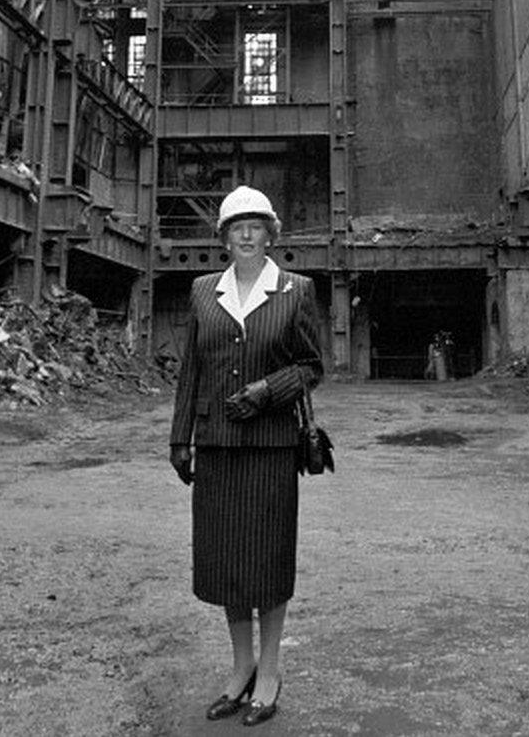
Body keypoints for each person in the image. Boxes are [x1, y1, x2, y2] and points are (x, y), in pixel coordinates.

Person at [169, 185, 323, 724]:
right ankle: (241, 669)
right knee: (227, 563)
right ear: (224, 238)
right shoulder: (202, 291)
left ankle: (271, 670)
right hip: (216, 446)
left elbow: (311, 366)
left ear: (271, 234)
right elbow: (191, 368)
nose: (247, 235)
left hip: (271, 447)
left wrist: (267, 392)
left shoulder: (295, 291)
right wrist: (179, 436)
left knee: (267, 562)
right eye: (238, 227)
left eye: (256, 226)